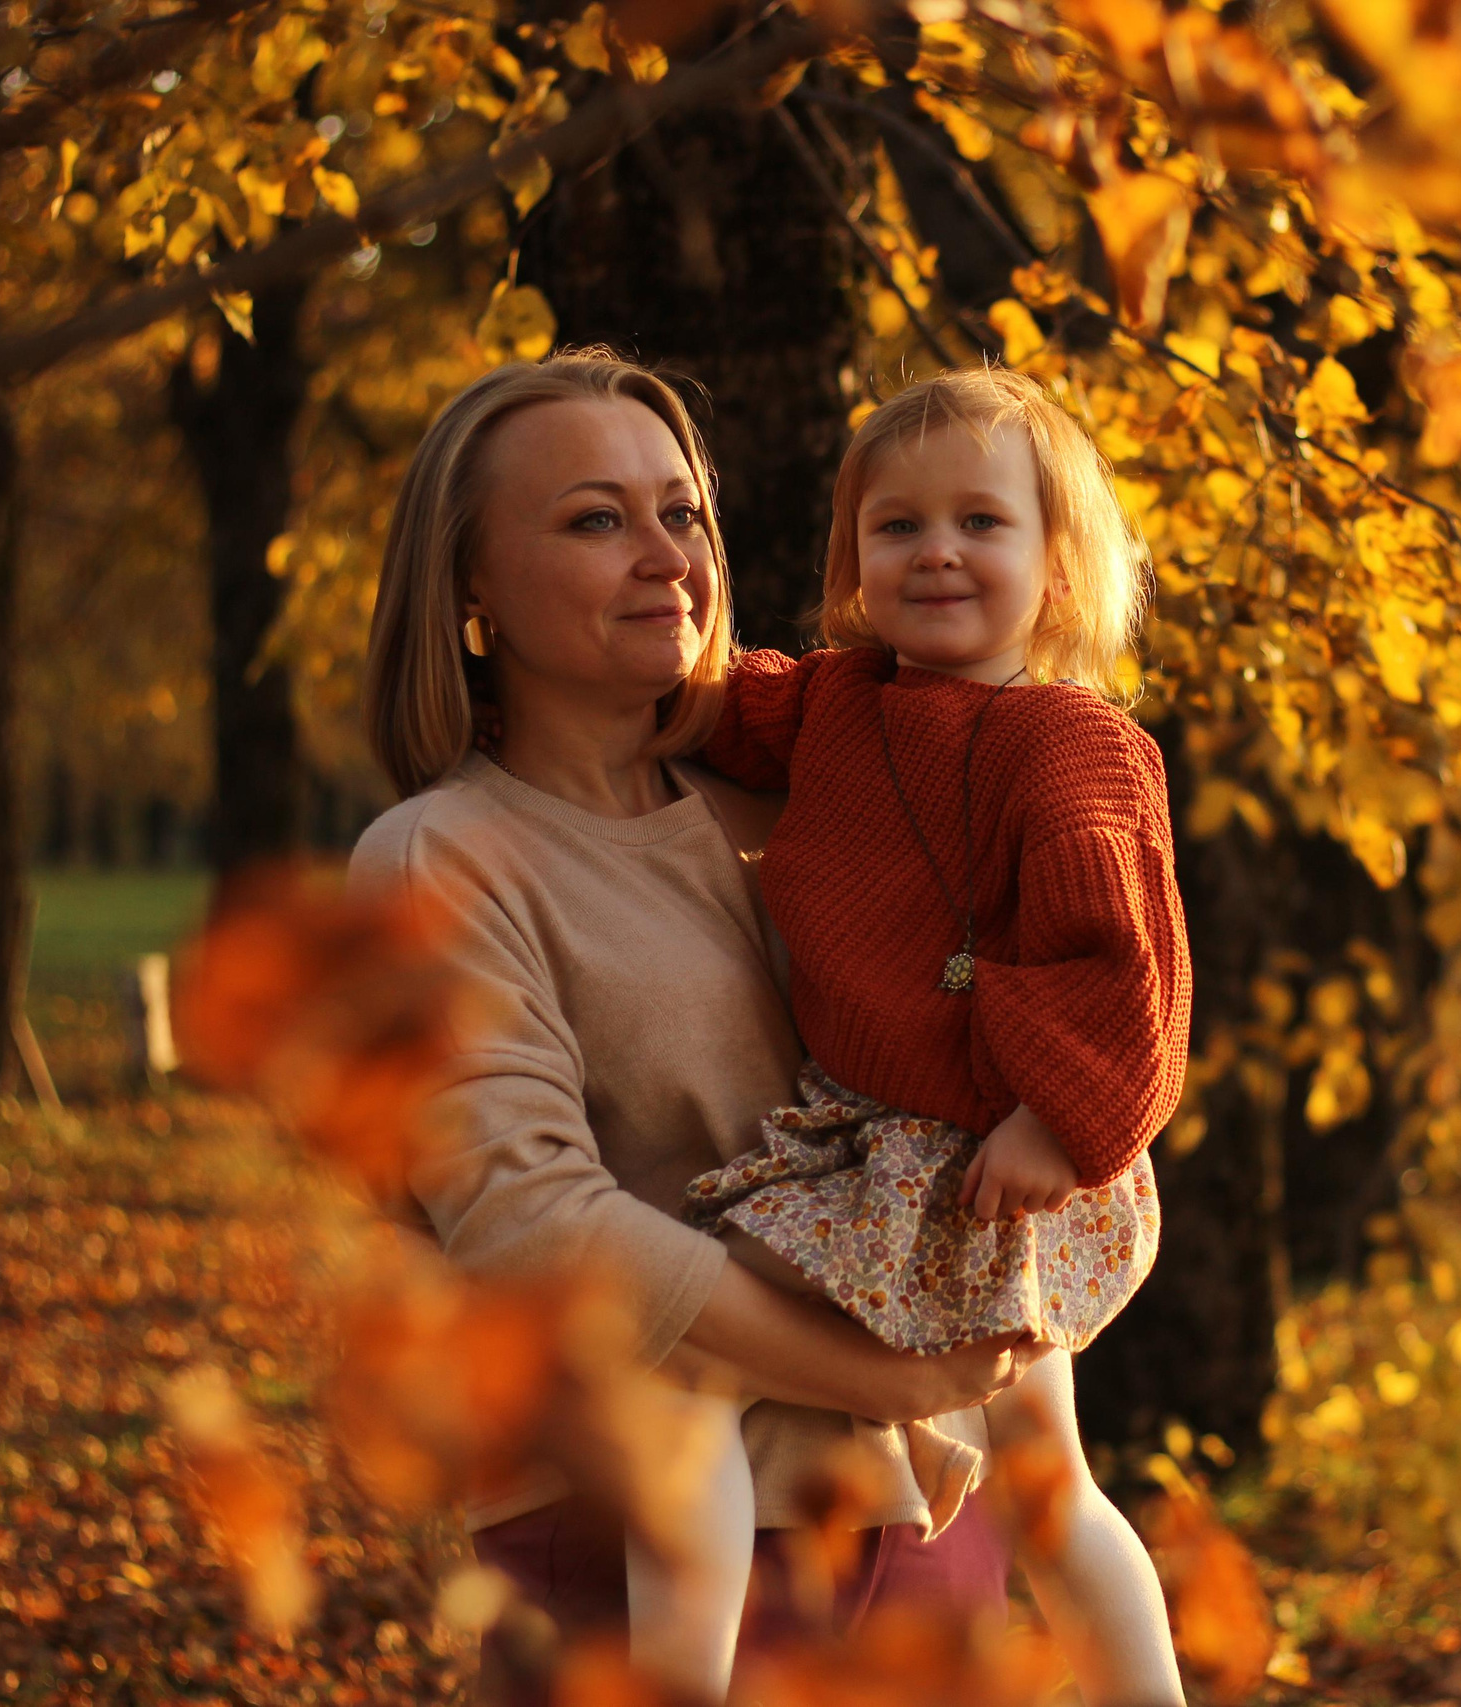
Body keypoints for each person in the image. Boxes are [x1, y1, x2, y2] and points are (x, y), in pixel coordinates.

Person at [349, 351, 1041, 1701]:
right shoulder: (441, 859)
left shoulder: (806, 815)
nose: (667, 557)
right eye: (597, 519)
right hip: (645, 1551)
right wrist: (879, 1373)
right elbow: (538, 1229)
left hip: (925, 1520)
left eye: (684, 515)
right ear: (470, 587)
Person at [648, 368, 1191, 1707]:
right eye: (895, 528)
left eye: (981, 524)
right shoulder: (839, 701)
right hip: (889, 1145)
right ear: (851, 566)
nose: (936, 549)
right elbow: (711, 701)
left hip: (1003, 1157)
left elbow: (1125, 968)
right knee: (1035, 1471)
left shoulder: (1070, 745)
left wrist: (1057, 1126)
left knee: (701, 1367)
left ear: (1059, 572)